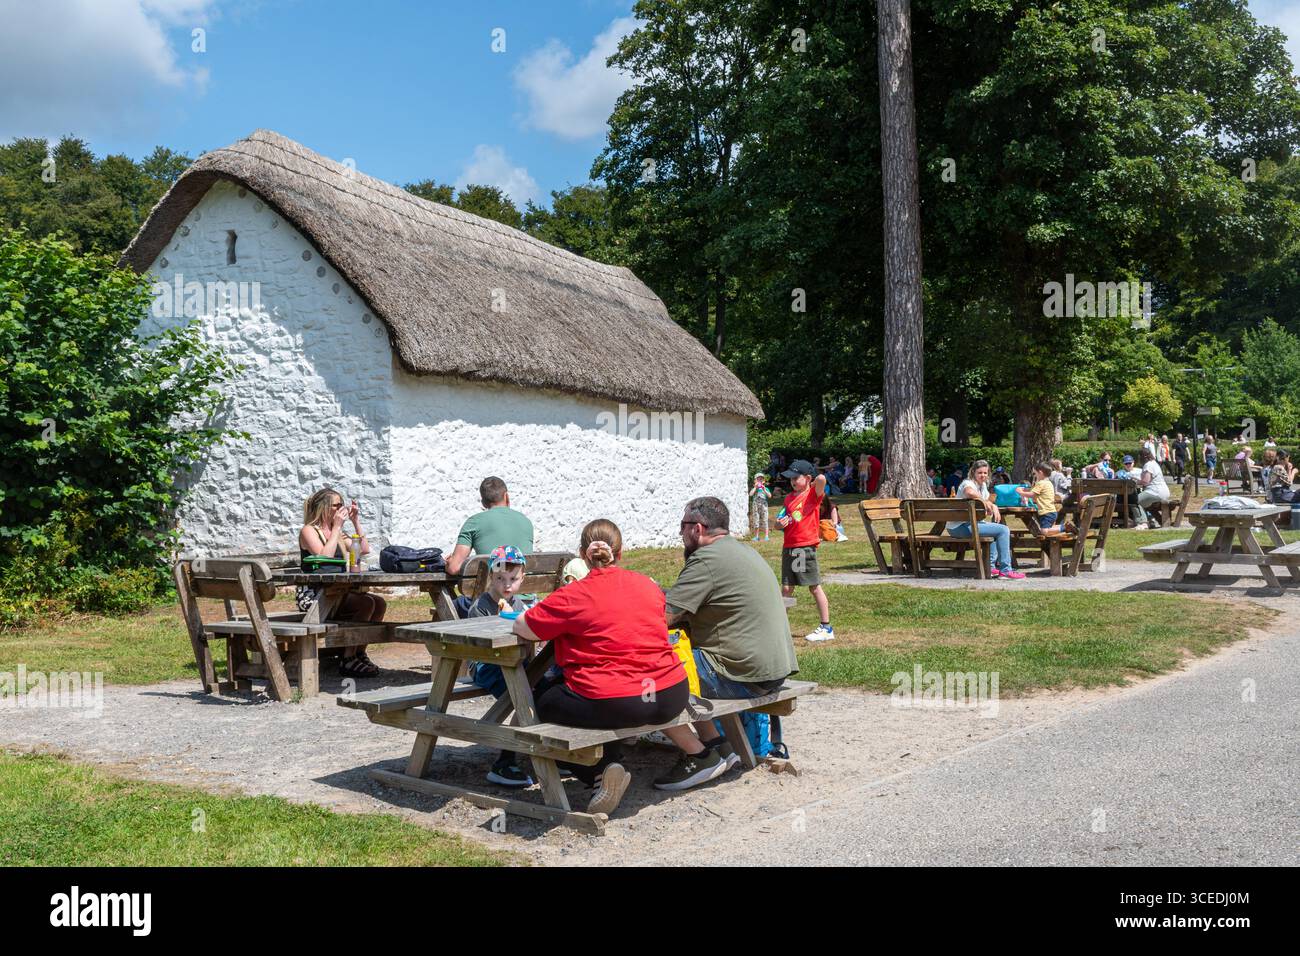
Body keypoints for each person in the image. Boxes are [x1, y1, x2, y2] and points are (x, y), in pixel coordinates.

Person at [512, 519, 689, 816]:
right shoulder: (648, 585)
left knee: (542, 700)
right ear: (620, 554)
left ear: (582, 554)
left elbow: (524, 626)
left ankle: (599, 768)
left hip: (620, 700)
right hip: (669, 693)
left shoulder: (573, 595)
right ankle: (603, 770)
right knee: (598, 700)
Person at [660, 497, 800, 787]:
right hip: (773, 671)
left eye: (682, 526)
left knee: (653, 670)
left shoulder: (705, 559)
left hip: (741, 675)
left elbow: (663, 618)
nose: (680, 533)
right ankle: (718, 744)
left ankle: (700, 757)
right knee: (681, 657)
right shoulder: (742, 550)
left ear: (697, 528)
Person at [297, 487, 386, 678]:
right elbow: (324, 557)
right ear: (324, 508)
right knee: (366, 603)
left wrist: (355, 522)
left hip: (336, 591)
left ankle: (359, 653)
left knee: (379, 603)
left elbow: (363, 549)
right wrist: (336, 528)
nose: (340, 510)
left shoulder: (338, 532)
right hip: (313, 595)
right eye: (336, 505)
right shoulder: (309, 531)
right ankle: (348, 659)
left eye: (341, 505)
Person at [466, 546, 533, 787]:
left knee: (546, 683)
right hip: (485, 665)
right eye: (500, 579)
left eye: (513, 579)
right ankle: (506, 760)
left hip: (515, 662)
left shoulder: (519, 605)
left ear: (522, 578)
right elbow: (478, 647)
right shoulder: (481, 607)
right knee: (526, 694)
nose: (507, 586)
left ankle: (545, 752)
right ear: (491, 578)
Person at [778, 459, 834, 641]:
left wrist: (813, 480)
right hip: (790, 547)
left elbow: (822, 479)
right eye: (790, 478)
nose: (792, 481)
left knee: (814, 586)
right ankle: (780, 627)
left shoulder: (812, 495)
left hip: (805, 547)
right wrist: (779, 524)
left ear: (807, 478)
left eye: (796, 477)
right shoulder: (788, 499)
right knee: (786, 588)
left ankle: (826, 628)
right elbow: (780, 521)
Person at [947, 460, 1025, 579]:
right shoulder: (967, 483)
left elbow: (990, 499)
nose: (983, 475)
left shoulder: (982, 486)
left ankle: (991, 567)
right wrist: (985, 502)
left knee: (995, 530)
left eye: (985, 472)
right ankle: (1005, 570)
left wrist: (992, 505)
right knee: (1003, 530)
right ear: (973, 472)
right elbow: (969, 492)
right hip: (959, 527)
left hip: (969, 525)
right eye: (980, 473)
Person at [1016, 463, 1063, 533]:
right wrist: (1026, 490)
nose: (1035, 476)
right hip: (1051, 511)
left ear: (1040, 473)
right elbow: (1035, 491)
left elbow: (1032, 495)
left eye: (1035, 474)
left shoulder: (1041, 483)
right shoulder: (1048, 483)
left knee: (1044, 531)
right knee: (1050, 529)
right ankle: (1064, 527)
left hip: (1046, 512)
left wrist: (1020, 492)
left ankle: (1064, 527)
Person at [1134, 448, 1170, 530]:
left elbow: (1145, 481)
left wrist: (1135, 481)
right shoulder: (1154, 463)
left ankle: (1143, 523)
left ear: (1142, 457)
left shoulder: (1148, 465)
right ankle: (1151, 521)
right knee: (1144, 501)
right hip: (1163, 491)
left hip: (1155, 491)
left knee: (1135, 501)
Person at [748, 472, 772, 541]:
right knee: (756, 520)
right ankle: (756, 536)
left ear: (763, 481)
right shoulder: (755, 489)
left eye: (761, 479)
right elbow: (750, 494)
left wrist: (764, 489)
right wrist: (755, 487)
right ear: (755, 481)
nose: (760, 481)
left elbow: (770, 496)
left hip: (764, 506)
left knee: (765, 520)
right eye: (758, 479)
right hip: (756, 506)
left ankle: (766, 536)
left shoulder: (765, 488)